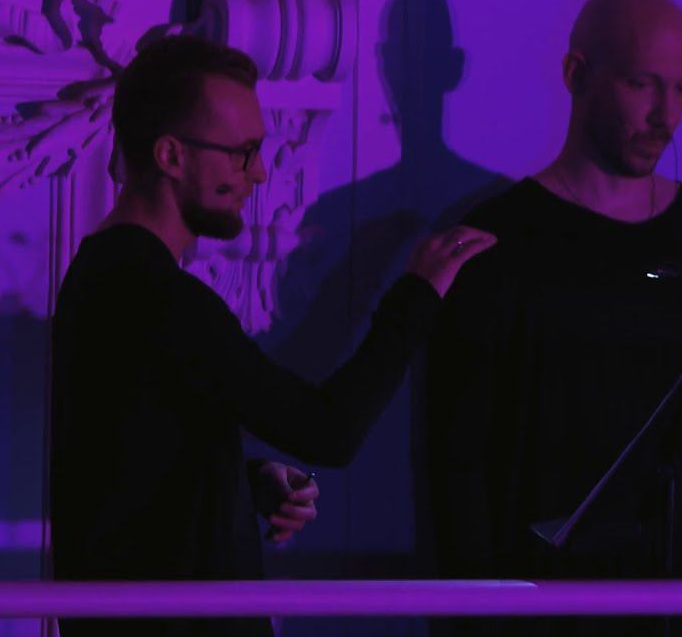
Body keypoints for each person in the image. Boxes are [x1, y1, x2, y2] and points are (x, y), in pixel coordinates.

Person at [50, 34, 494, 637]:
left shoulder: (104, 276)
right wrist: (419, 292)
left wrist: (247, 479)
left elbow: (133, 459)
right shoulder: (160, 295)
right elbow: (329, 431)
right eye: (243, 153)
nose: (259, 173)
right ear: (171, 155)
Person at [422, 0, 682, 636]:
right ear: (577, 75)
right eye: (641, 84)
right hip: (551, 611)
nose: (665, 114)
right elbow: (458, 465)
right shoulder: (498, 240)